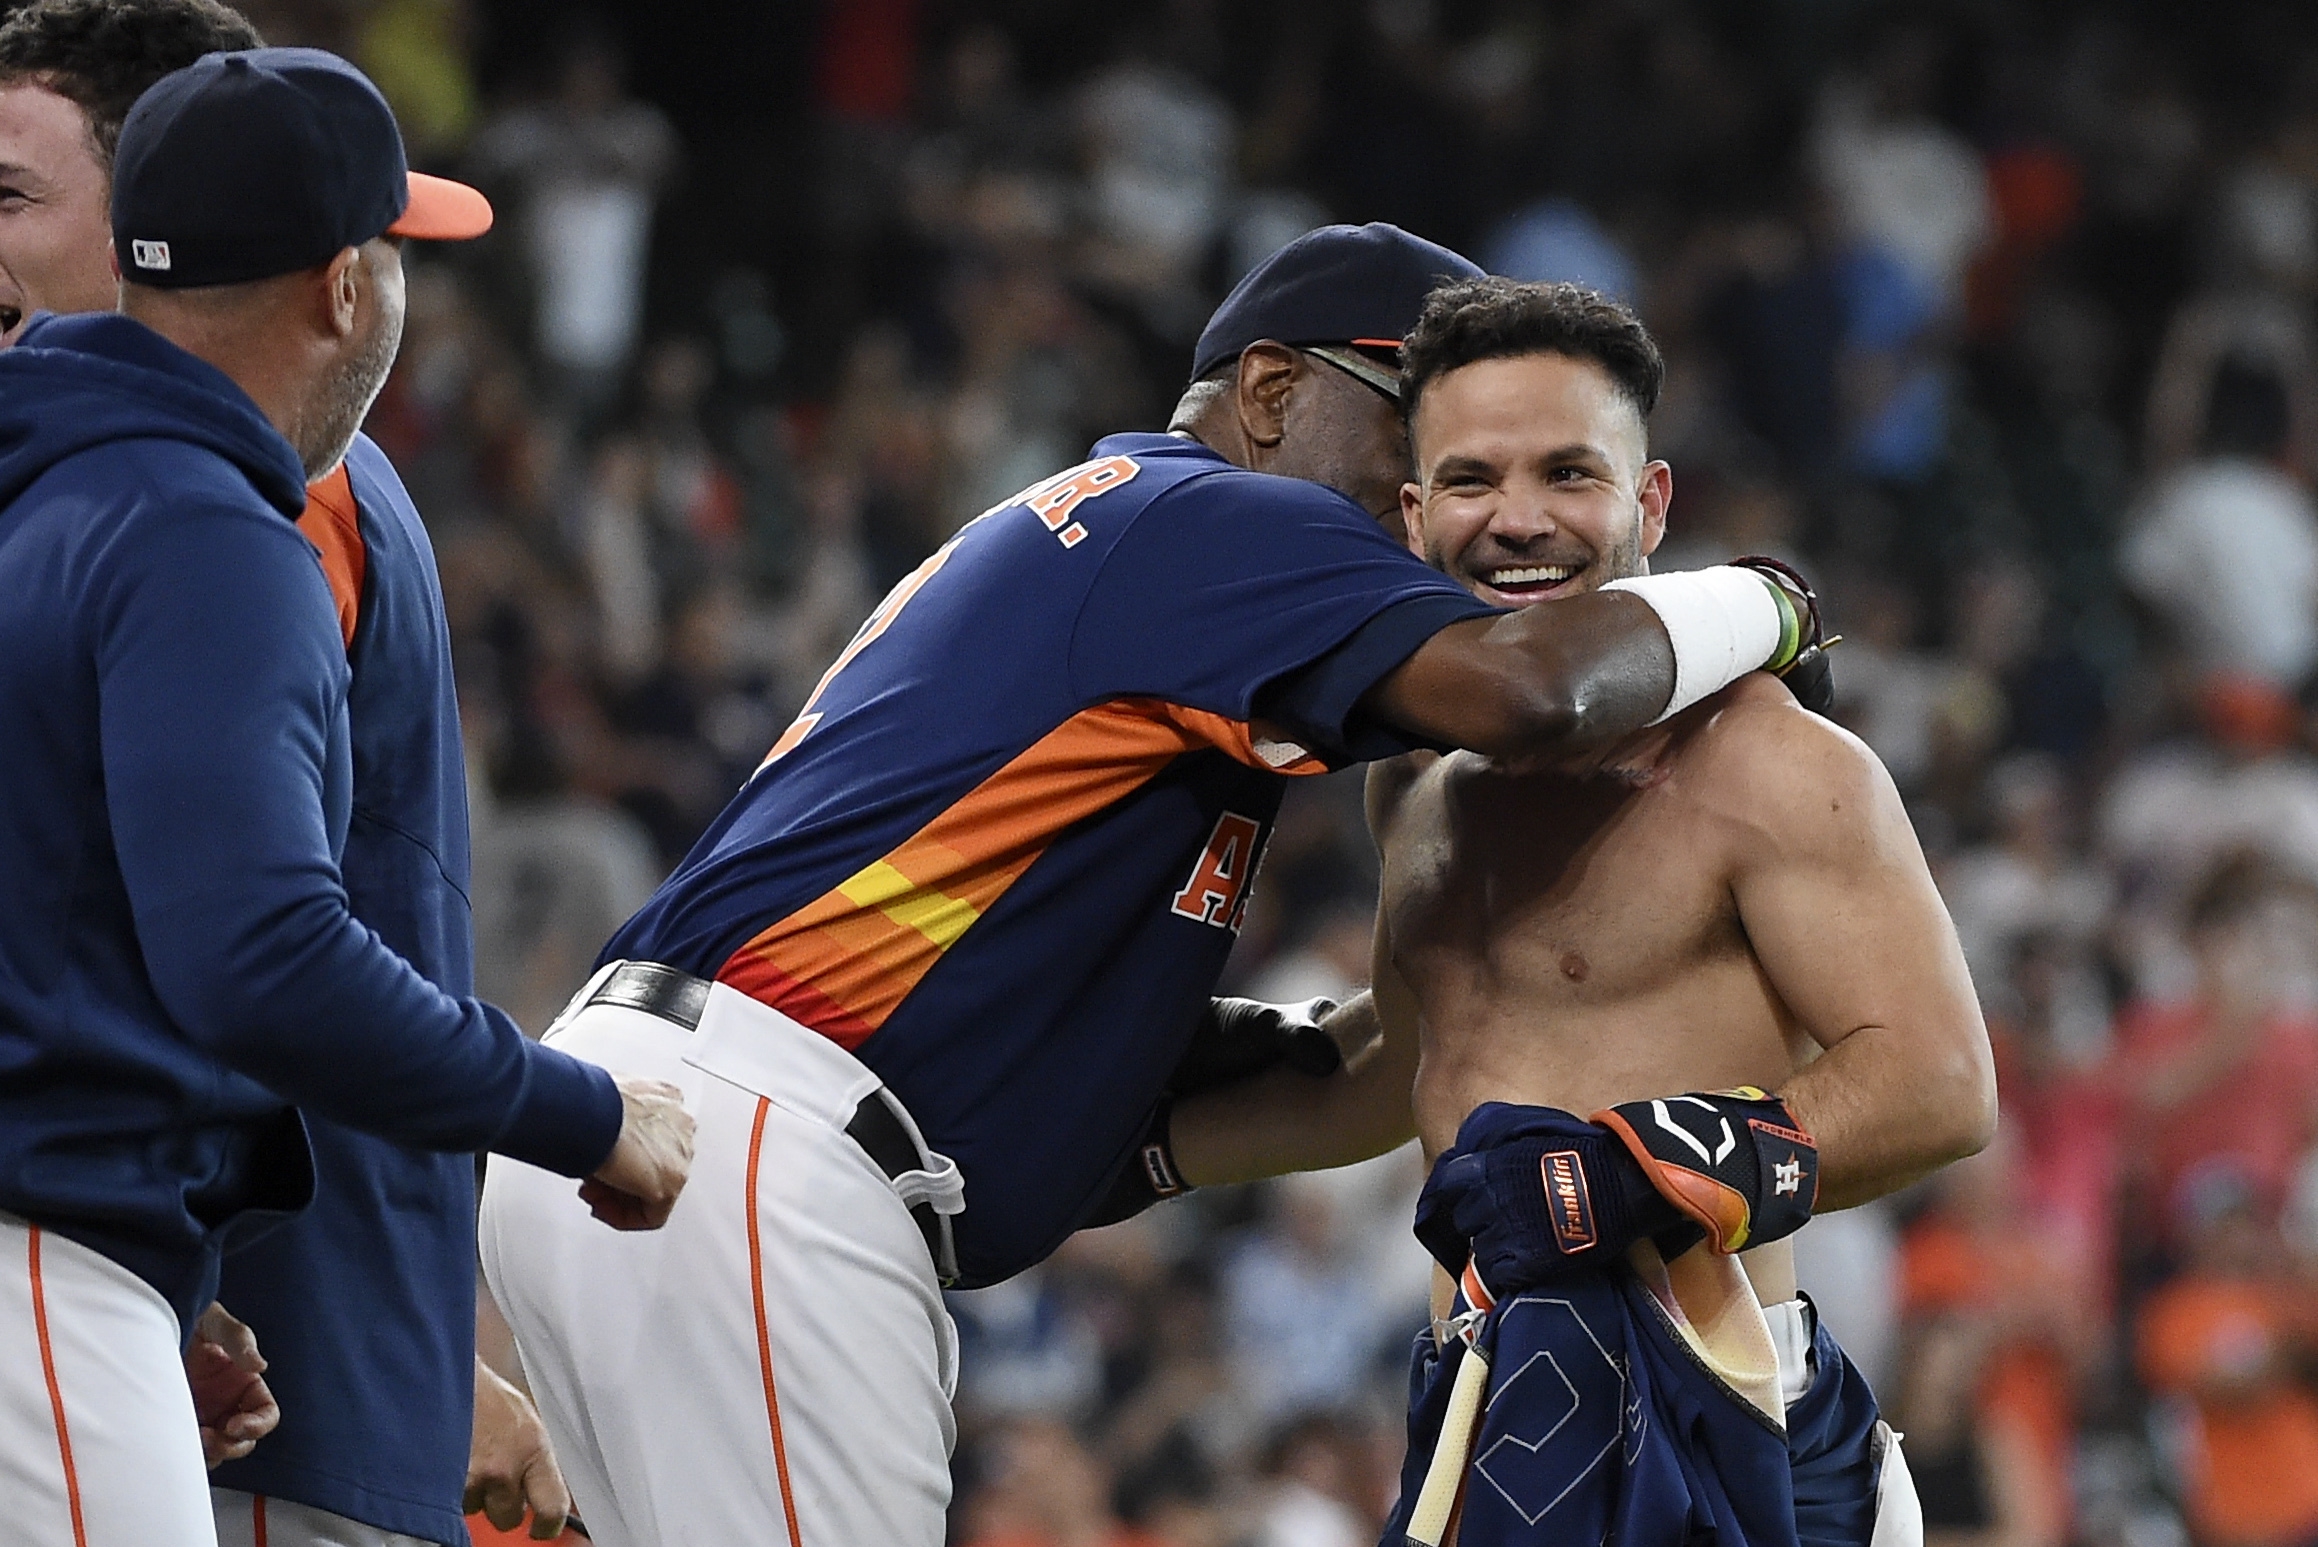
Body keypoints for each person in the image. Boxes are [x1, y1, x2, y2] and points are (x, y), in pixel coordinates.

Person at [478, 222, 1828, 1547]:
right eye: (1417, 434)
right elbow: (1526, 689)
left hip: (677, 1125)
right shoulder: (1209, 515)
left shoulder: (1142, 565)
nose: (1438, 508)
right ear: (1271, 388)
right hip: (763, 1144)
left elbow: (1277, 1074)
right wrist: (1766, 604)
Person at [0, 46, 694, 1546]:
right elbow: (259, 953)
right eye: (392, 254)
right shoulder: (208, 524)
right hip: (50, 1284)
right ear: (339, 290)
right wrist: (580, 1111)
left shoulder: (51, 497)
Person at [1196, 277, 1992, 1545]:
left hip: (1724, 1407)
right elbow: (1402, 1071)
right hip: (1488, 1389)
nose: (1518, 520)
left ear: (1649, 501)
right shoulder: (1415, 778)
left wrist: (1623, 1176)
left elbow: (1939, 1082)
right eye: (1470, 480)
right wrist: (1140, 1146)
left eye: (1568, 472)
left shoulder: (1769, 765)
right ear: (1413, 513)